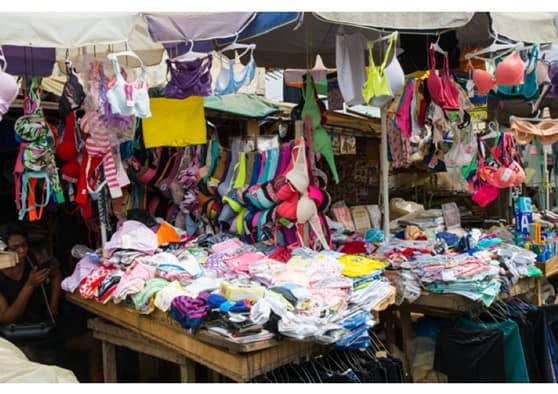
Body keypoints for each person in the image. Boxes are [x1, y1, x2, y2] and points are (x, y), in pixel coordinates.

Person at [0, 223, 62, 326]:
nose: (22, 251)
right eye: (15, 248)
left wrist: (53, 306)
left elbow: (56, 274)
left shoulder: (32, 259)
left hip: (41, 324)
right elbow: (6, 319)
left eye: (24, 245)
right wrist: (29, 285)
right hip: (14, 332)